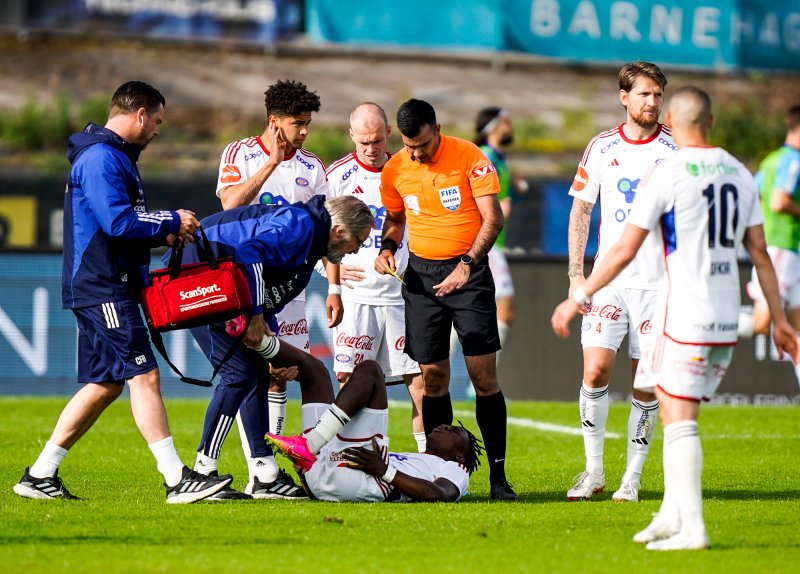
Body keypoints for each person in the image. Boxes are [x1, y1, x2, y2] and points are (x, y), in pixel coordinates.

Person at [552, 86, 799, 550]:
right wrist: (780, 320)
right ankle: (668, 515)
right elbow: (760, 253)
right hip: (726, 313)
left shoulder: (670, 168)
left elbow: (624, 248)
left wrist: (577, 292)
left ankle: (693, 528)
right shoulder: (739, 172)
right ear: (710, 122)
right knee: (672, 411)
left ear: (676, 120)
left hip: (681, 308)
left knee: (678, 420)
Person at [13, 81, 232, 504]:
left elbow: (119, 226)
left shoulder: (111, 157)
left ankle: (40, 475)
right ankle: (175, 480)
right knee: (143, 376)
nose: (157, 131)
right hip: (102, 286)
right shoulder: (100, 159)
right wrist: (170, 220)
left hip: (103, 282)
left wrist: (163, 237)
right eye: (157, 122)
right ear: (140, 115)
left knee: (105, 383)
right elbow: (117, 222)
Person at [185, 194, 374, 499]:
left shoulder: (309, 237)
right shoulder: (300, 226)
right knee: (239, 375)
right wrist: (257, 315)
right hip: (198, 273)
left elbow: (268, 288)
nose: (356, 251)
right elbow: (250, 254)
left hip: (216, 277)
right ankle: (202, 470)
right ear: (339, 232)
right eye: (358, 242)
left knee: (256, 373)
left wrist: (267, 331)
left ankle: (264, 474)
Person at [375, 98, 517, 500]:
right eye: (408, 146)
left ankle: (498, 478)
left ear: (436, 129)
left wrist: (467, 263)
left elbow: (494, 218)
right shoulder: (396, 167)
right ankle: (443, 473)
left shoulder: (469, 156)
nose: (415, 153)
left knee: (483, 377)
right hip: (421, 279)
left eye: (421, 144)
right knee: (432, 377)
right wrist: (387, 247)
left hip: (468, 275)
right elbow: (396, 218)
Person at [565, 61, 674, 502]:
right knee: (595, 371)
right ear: (624, 97)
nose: (652, 103)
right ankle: (593, 472)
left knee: (645, 385)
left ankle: (632, 477)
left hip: (658, 285)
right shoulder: (602, 147)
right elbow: (581, 212)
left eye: (657, 95)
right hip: (608, 281)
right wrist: (577, 275)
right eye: (644, 94)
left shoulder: (676, 149)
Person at [215, 79, 338, 443]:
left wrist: (334, 287)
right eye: (297, 123)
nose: (303, 132)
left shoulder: (313, 167)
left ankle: (273, 460)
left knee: (283, 371)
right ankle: (259, 462)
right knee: (251, 371)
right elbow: (229, 205)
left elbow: (329, 230)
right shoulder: (239, 153)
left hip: (288, 288)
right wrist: (271, 164)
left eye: (307, 124)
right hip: (246, 281)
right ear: (274, 122)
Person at [326, 102, 426, 452]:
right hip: (357, 298)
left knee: (421, 381)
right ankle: (348, 452)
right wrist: (330, 277)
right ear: (352, 135)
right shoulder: (337, 175)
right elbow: (319, 231)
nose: (370, 150)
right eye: (363, 142)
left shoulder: (408, 168)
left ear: (388, 134)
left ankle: (428, 458)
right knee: (352, 380)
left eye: (377, 141)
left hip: (403, 296)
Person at [267, 361, 482, 502]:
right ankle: (254, 336)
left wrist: (385, 471)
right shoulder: (419, 461)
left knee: (370, 370)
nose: (445, 425)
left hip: (368, 482)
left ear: (459, 456)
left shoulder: (456, 468)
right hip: (326, 477)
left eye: (454, 431)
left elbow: (441, 495)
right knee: (312, 369)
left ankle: (309, 445)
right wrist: (303, 471)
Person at [451, 107, 517, 398]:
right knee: (502, 309)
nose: (510, 125)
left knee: (478, 311)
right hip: (486, 244)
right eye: (505, 120)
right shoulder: (487, 157)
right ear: (494, 125)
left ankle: (461, 378)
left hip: (491, 244)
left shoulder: (495, 158)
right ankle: (474, 383)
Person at [738, 104, 800, 389]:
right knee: (762, 323)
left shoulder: (771, 160)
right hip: (781, 248)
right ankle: (702, 322)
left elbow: (752, 195)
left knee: (797, 329)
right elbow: (779, 201)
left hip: (786, 248)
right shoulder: (793, 161)